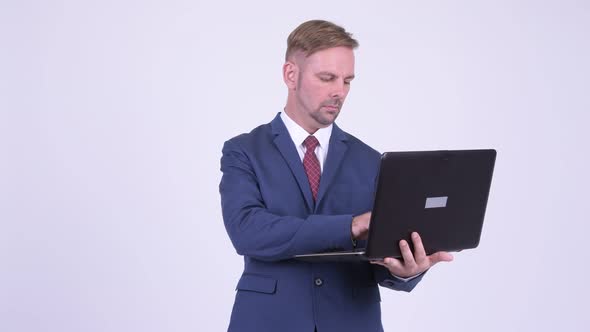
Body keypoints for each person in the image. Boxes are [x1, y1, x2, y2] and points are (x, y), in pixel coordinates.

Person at [219, 19, 453, 332]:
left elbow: (378, 260)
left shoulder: (371, 160)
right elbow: (248, 231)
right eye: (327, 78)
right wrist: (351, 225)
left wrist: (406, 270)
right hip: (268, 321)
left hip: (352, 321)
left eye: (347, 81)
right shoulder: (244, 151)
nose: (338, 92)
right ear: (291, 75)